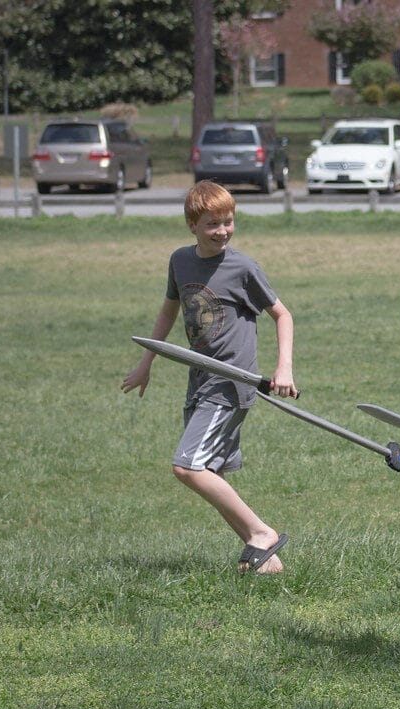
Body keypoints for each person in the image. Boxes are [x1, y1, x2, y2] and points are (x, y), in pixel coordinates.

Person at [121, 180, 297, 574]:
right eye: (212, 224)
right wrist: (146, 362)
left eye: (228, 222)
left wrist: (283, 367)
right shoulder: (180, 262)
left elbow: (282, 315)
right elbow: (168, 312)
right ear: (192, 225)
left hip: (232, 382)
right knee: (210, 472)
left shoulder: (243, 267)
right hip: (199, 379)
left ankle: (261, 533)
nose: (222, 231)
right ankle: (266, 561)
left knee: (188, 467)